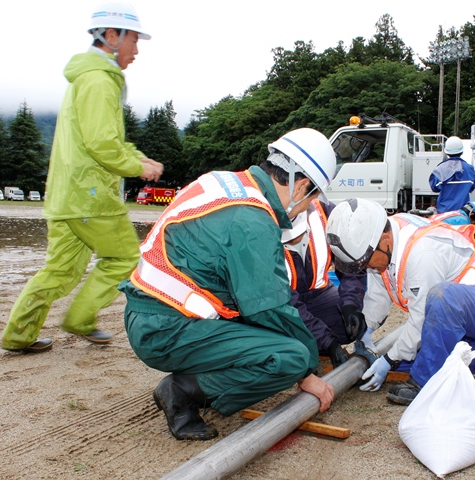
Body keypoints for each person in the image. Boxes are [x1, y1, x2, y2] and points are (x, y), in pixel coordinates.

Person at [119, 128, 337, 441]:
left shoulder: (228, 183)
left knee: (272, 338)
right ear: (301, 185)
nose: (306, 208)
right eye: (311, 200)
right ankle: (183, 392)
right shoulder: (252, 219)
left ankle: (192, 384)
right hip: (165, 329)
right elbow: (271, 306)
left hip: (151, 313)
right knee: (293, 355)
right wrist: (308, 372)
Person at [1, 2, 163, 354]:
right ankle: (81, 318)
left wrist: (135, 156)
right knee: (124, 258)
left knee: (58, 271)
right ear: (110, 36)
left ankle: (18, 335)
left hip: (66, 196)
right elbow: (102, 142)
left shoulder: (86, 77)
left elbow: (104, 138)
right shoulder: (98, 79)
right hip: (91, 195)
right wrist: (138, 167)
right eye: (133, 40)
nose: (136, 50)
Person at [326, 198, 475, 406]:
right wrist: (366, 331)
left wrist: (388, 360)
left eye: (365, 261)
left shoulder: (422, 253)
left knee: (441, 298)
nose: (366, 267)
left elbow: (420, 319)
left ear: (384, 239)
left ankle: (423, 382)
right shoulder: (382, 241)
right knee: (403, 356)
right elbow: (378, 295)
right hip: (457, 312)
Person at [281, 200, 367, 368]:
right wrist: (328, 343)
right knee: (281, 338)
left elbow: (350, 265)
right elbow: (285, 302)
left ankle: (307, 338)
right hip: (281, 305)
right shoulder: (259, 232)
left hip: (318, 296)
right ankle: (301, 341)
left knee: (364, 313)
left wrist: (351, 305)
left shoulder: (326, 214)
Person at [429, 136, 475, 213]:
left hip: (444, 213)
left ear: (447, 152)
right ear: (462, 151)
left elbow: (434, 188)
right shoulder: (469, 169)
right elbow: (472, 187)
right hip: (463, 213)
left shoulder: (440, 169)